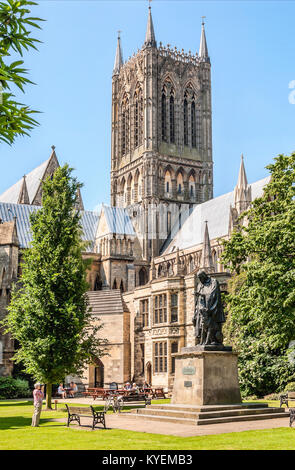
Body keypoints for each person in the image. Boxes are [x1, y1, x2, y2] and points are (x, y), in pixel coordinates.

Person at [193, 270, 225, 346]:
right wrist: (195, 313)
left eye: (201, 278)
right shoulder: (200, 285)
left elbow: (213, 294)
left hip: (212, 310)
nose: (200, 280)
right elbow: (197, 300)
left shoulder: (213, 282)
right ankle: (202, 341)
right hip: (201, 311)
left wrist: (201, 294)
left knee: (212, 328)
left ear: (204, 276)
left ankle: (213, 341)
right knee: (201, 327)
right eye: (199, 278)